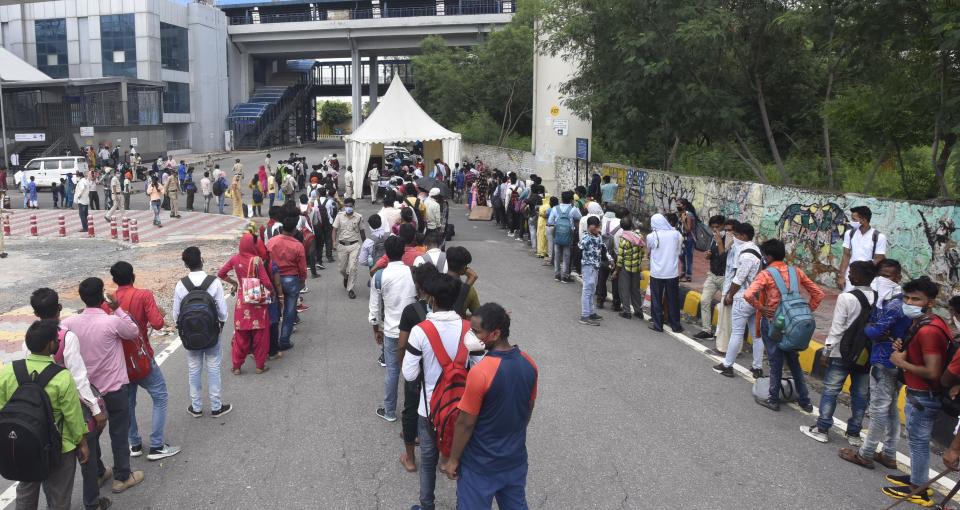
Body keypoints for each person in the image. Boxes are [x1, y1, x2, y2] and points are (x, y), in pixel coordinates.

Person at [441, 303, 538, 509]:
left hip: (480, 465)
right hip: (515, 460)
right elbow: (526, 411)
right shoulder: (529, 364)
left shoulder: (481, 372)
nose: (471, 336)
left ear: (494, 333)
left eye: (476, 332)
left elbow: (465, 423)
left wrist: (453, 460)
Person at [402, 271, 484, 510]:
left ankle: (427, 505)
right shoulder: (470, 329)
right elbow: (480, 370)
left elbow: (409, 374)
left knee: (428, 461)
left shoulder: (420, 331)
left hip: (429, 409)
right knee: (463, 460)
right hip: (463, 409)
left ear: (432, 299)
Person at [62, 277, 145, 495]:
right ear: (102, 297)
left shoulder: (70, 323)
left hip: (87, 392)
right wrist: (117, 309)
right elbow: (133, 331)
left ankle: (98, 472)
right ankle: (122, 477)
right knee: (119, 432)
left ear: (81, 297)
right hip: (114, 388)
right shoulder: (111, 321)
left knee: (92, 435)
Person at [28, 289, 108, 509]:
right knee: (87, 456)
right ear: (59, 308)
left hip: (45, 409)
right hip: (73, 406)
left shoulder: (31, 338)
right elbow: (79, 378)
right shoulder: (66, 336)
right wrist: (95, 409)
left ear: (35, 312)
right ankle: (92, 503)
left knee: (50, 461)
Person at [4, 320, 89, 510]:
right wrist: (82, 442)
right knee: (59, 497)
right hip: (60, 446)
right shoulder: (62, 376)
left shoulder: (9, 371)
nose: (58, 341)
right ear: (50, 345)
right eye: (56, 339)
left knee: (26, 492)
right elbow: (72, 416)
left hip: (23, 443)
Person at [882, 277, 950, 507]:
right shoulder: (927, 321)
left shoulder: (928, 330)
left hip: (923, 396)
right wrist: (904, 351)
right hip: (919, 393)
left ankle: (918, 489)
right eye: (907, 298)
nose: (909, 302)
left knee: (918, 442)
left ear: (929, 301)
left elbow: (933, 371)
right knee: (915, 440)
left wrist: (901, 362)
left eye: (916, 299)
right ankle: (916, 478)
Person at [839, 259, 910, 470]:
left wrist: (872, 328)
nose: (884, 279)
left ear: (898, 278)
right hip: (891, 360)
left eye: (889, 276)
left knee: (879, 409)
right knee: (890, 410)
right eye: (882, 275)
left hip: (884, 360)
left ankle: (866, 453)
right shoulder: (888, 299)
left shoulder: (894, 304)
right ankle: (888, 453)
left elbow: (874, 331)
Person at [109, 262, 181, 461]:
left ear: (114, 280)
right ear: (133, 276)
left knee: (129, 403)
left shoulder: (109, 301)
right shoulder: (143, 295)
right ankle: (157, 445)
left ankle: (135, 444)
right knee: (160, 395)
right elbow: (157, 324)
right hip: (141, 356)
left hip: (120, 361)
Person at [801, 261, 878, 445]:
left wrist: (827, 350)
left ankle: (822, 428)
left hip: (842, 352)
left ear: (858, 276)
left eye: (851, 272)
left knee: (831, 390)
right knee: (860, 395)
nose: (848, 275)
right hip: (864, 354)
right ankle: (853, 434)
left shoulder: (846, 298)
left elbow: (837, 328)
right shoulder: (878, 297)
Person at [742, 239, 823, 411]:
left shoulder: (766, 274)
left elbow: (748, 294)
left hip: (774, 323)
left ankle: (773, 398)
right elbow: (818, 294)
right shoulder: (796, 271)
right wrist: (806, 310)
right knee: (793, 361)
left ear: (768, 256)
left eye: (764, 255)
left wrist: (762, 309)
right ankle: (805, 400)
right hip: (794, 324)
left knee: (775, 360)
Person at [172, 247, 232, 418]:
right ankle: (216, 406)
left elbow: (176, 313)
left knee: (193, 369)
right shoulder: (214, 282)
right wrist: (219, 326)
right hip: (212, 332)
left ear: (185, 264)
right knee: (213, 368)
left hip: (190, 335)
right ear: (202, 260)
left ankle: (196, 407)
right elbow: (222, 311)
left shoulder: (181, 284)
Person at [370, 236, 418, 423]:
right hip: (414, 331)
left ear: (386, 254)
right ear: (403, 252)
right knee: (413, 370)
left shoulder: (380, 276)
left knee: (392, 371)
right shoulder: (413, 273)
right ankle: (413, 412)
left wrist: (376, 329)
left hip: (391, 330)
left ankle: (389, 410)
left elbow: (374, 309)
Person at [396, 264, 434, 473]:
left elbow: (402, 343)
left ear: (417, 285)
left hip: (416, 366)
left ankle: (410, 458)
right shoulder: (446, 306)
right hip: (438, 367)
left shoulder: (411, 310)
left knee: (411, 409)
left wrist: (402, 363)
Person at [218, 233, 274, 374]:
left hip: (242, 302)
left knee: (241, 335)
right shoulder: (257, 260)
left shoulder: (235, 259)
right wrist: (272, 292)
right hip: (257, 301)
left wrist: (234, 282)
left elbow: (221, 273)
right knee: (260, 335)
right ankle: (259, 366)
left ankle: (236, 366)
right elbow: (266, 282)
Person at [714, 222, 763, 377]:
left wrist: (729, 295)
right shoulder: (755, 249)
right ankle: (757, 367)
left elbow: (739, 279)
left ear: (743, 236)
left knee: (737, 333)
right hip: (755, 298)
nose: (733, 237)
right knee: (756, 335)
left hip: (743, 298)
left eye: (735, 235)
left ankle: (728, 365)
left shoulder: (746, 254)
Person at [267, 216, 306, 351]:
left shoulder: (271, 242)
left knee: (274, 310)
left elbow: (266, 261)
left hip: (273, 278)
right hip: (291, 279)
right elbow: (302, 267)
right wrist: (302, 280)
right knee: (290, 311)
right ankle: (284, 340)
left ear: (282, 228)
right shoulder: (298, 245)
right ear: (294, 230)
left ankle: (272, 340)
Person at [647, 213, 683, 333]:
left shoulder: (651, 236)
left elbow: (650, 250)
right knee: (673, 299)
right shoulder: (676, 234)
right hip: (672, 273)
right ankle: (676, 325)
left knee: (656, 299)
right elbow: (678, 251)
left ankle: (658, 325)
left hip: (657, 273)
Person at [837, 205, 887, 291]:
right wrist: (841, 276)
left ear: (863, 220)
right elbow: (846, 255)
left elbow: (878, 260)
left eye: (854, 219)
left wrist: (869, 278)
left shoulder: (879, 237)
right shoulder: (849, 234)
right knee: (848, 300)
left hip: (869, 279)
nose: (851, 222)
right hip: (851, 276)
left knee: (866, 302)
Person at [695, 216, 728, 339]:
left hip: (725, 277)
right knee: (704, 300)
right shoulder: (713, 238)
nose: (715, 229)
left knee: (725, 306)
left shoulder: (728, 239)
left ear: (723, 226)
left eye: (717, 227)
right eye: (713, 227)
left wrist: (719, 241)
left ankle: (721, 333)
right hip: (712, 274)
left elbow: (724, 257)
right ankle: (706, 330)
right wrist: (708, 255)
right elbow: (711, 254)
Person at [712, 219, 739, 356]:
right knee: (732, 322)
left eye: (730, 230)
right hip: (731, 286)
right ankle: (734, 349)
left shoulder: (736, 246)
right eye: (726, 230)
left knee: (725, 320)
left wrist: (729, 293)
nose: (727, 233)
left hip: (731, 288)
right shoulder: (733, 245)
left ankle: (722, 348)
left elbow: (724, 260)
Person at [332, 197, 365, 299]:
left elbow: (362, 232)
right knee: (342, 269)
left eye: (350, 206)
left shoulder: (359, 217)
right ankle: (346, 277)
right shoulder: (339, 216)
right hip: (342, 245)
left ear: (353, 206)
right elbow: (334, 230)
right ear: (344, 206)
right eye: (346, 206)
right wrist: (333, 241)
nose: (348, 208)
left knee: (352, 268)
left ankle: (350, 289)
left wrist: (365, 244)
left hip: (354, 245)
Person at [612, 217, 644, 320]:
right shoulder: (639, 236)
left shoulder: (623, 239)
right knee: (635, 289)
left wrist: (616, 271)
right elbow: (642, 252)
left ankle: (626, 311)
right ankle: (638, 311)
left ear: (621, 227)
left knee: (624, 289)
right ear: (631, 226)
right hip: (636, 267)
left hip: (626, 268)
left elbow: (620, 258)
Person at [548, 191, 582, 283]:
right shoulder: (573, 209)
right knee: (566, 255)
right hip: (568, 235)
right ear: (571, 200)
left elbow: (550, 221)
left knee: (557, 255)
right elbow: (580, 217)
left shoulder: (555, 208)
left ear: (561, 199)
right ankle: (565, 276)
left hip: (557, 234)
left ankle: (557, 275)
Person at [578, 216, 605, 326]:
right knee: (587, 290)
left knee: (592, 290)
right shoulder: (586, 237)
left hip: (596, 266)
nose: (595, 228)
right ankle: (584, 316)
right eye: (593, 226)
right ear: (589, 226)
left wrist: (610, 259)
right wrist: (588, 235)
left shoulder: (598, 236)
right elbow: (580, 246)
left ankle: (592, 312)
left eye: (596, 226)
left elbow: (603, 248)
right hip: (588, 266)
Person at [676, 198, 697, 282]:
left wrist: (683, 220)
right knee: (681, 255)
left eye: (679, 204)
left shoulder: (689, 215)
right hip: (681, 239)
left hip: (689, 239)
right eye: (677, 204)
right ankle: (683, 272)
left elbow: (688, 229)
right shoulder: (680, 213)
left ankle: (688, 275)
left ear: (684, 206)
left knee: (688, 256)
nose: (677, 206)